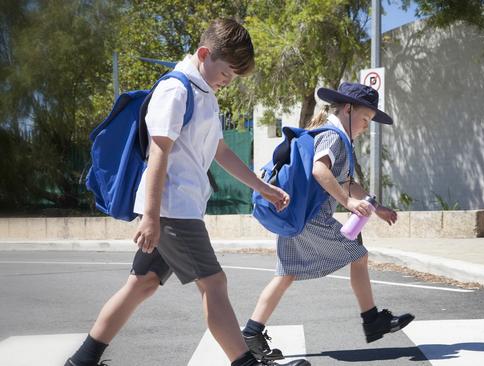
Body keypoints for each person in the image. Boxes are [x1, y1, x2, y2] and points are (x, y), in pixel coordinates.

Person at [66, 19, 309, 366]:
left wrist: (263, 187)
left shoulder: (204, 93)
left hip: (179, 207)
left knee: (142, 284)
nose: (229, 80)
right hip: (171, 209)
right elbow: (158, 153)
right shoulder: (176, 90)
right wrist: (150, 217)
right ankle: (245, 362)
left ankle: (81, 361)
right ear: (205, 54)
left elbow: (219, 151)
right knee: (214, 283)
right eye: (227, 72)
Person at [242, 82, 414, 361]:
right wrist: (347, 203)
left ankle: (251, 333)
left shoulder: (334, 136)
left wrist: (376, 206)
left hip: (297, 217)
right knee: (359, 255)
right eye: (364, 118)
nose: (365, 126)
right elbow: (319, 170)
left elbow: (347, 182)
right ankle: (372, 320)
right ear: (347, 109)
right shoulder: (334, 136)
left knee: (285, 275)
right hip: (312, 219)